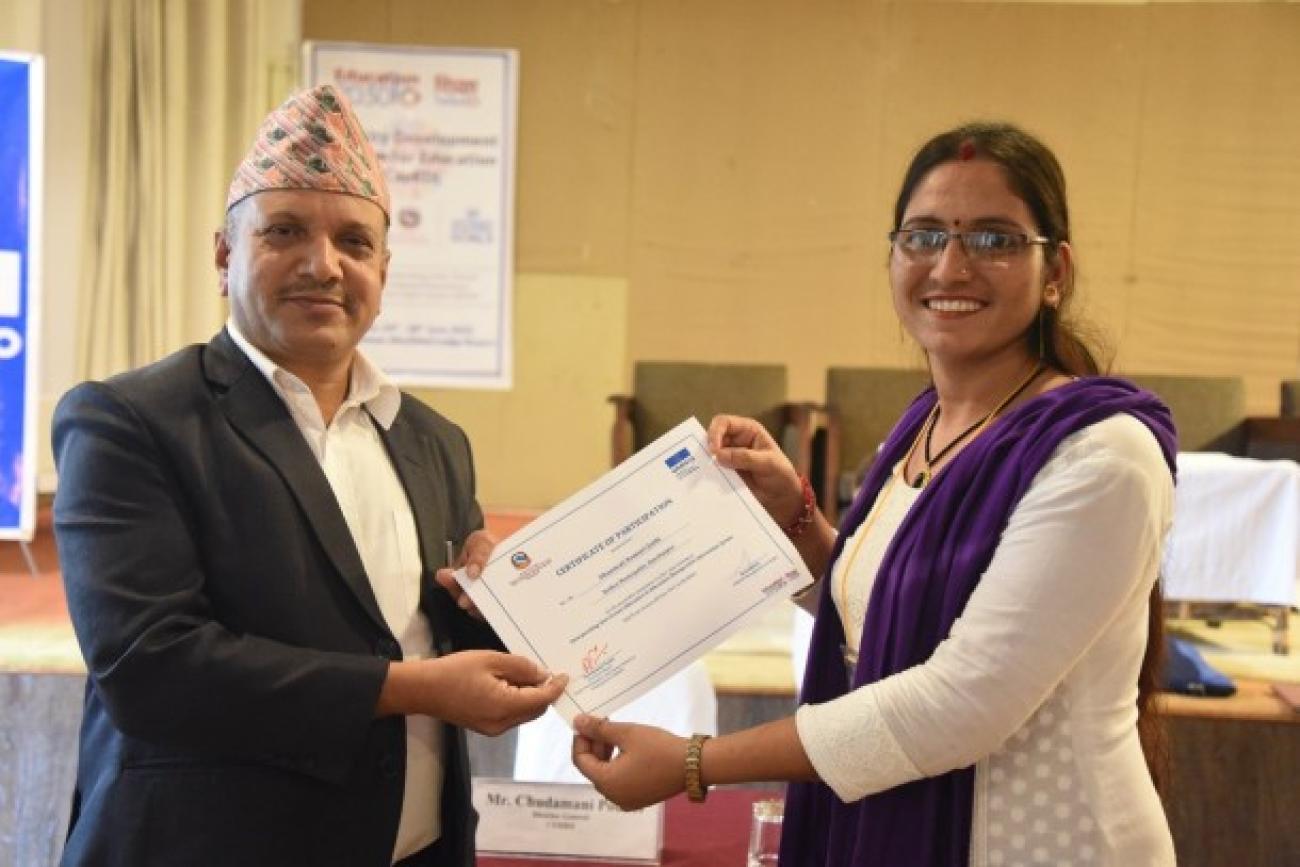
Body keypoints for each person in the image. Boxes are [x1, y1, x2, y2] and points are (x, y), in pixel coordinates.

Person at [571, 122, 1178, 866]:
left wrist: (694, 761)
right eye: (924, 235)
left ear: (1056, 272)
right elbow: (883, 612)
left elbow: (957, 705)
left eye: (993, 239)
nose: (951, 265)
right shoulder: (929, 421)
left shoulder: (1101, 454)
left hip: (1039, 843)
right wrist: (793, 519)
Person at [52, 84, 566, 867]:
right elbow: (152, 668)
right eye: (285, 231)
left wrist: (493, 606)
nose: (322, 265)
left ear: (384, 273)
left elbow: (433, 635)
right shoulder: (131, 422)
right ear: (225, 256)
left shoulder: (434, 442)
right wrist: (417, 688)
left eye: (354, 243)